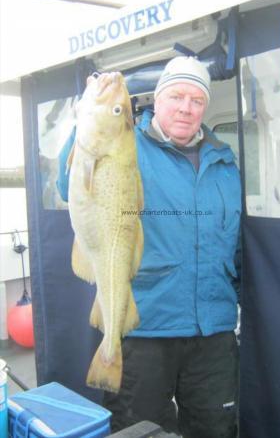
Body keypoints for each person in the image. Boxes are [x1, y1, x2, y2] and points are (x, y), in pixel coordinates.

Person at [59, 56, 241, 438]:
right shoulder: (127, 144)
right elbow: (68, 186)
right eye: (176, 96)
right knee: (140, 430)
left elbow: (233, 243)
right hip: (146, 328)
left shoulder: (225, 162)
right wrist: (82, 124)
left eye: (197, 100)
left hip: (214, 330)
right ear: (157, 100)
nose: (186, 109)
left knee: (216, 429)